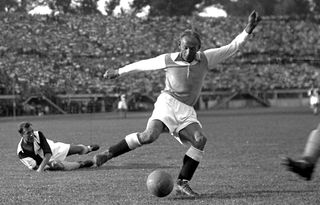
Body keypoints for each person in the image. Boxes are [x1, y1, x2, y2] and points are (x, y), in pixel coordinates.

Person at [94, 11, 261, 197]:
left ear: (199, 47)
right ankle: (109, 153)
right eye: (186, 47)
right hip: (167, 102)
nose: (189, 52)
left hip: (186, 110)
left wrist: (248, 29)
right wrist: (119, 71)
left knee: (200, 140)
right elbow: (142, 64)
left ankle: (182, 182)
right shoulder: (167, 59)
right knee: (149, 135)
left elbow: (232, 47)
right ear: (179, 45)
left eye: (194, 48)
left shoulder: (206, 58)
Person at [17, 122, 100, 172]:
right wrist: (49, 166)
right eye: (28, 133)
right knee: (61, 166)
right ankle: (82, 164)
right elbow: (35, 167)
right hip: (42, 161)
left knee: (78, 149)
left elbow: (48, 153)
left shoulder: (38, 134)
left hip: (50, 149)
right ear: (21, 135)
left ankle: (87, 149)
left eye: (32, 131)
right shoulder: (21, 152)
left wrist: (41, 168)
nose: (32, 134)